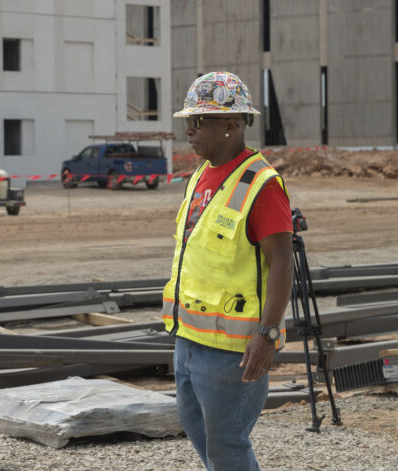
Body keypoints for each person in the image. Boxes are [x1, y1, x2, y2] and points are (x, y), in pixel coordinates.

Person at [162, 71, 293, 471]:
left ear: (231, 125)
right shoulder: (201, 175)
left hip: (232, 351)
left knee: (227, 446)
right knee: (201, 434)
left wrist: (267, 335)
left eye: (198, 121)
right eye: (189, 121)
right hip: (189, 338)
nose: (189, 130)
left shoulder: (261, 184)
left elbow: (283, 262)